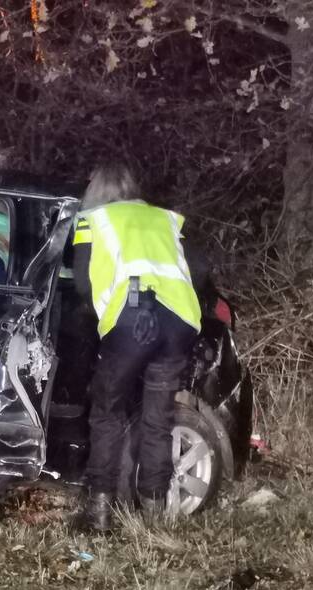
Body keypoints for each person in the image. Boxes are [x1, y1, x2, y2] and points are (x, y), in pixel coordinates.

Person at [72, 164, 201, 531]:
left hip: (131, 320)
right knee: (158, 419)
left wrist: (101, 317)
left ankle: (99, 513)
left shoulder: (91, 220)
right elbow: (201, 269)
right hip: (179, 321)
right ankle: (154, 517)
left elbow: (82, 283)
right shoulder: (167, 219)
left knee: (107, 413)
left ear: (95, 192)